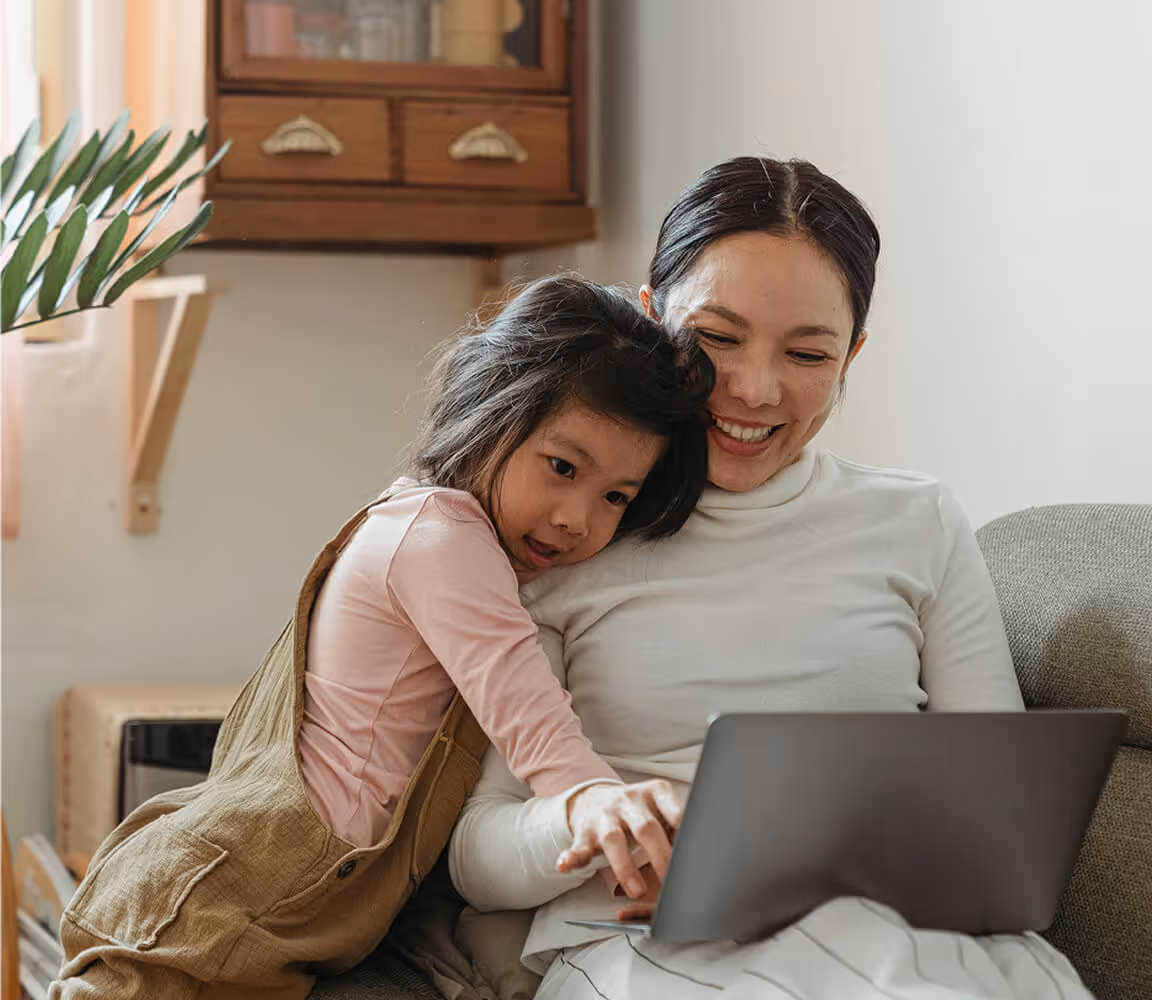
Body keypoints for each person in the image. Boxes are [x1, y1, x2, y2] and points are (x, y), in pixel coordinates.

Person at [448, 158, 1094, 999]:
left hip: (908, 933)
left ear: (851, 354)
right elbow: (476, 856)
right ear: (651, 318)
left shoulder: (921, 522)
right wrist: (591, 820)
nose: (754, 389)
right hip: (651, 944)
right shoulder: (571, 536)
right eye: (715, 338)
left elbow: (1007, 831)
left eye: (807, 352)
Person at [50, 275, 710, 1000]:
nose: (576, 519)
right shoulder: (442, 539)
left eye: (616, 496)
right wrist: (600, 804)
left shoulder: (430, 531)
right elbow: (530, 714)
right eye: (561, 467)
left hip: (284, 926)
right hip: (206, 917)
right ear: (490, 414)